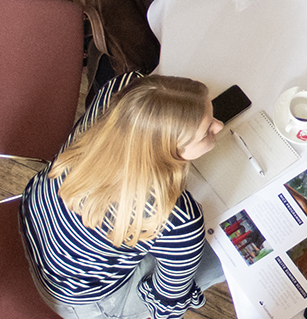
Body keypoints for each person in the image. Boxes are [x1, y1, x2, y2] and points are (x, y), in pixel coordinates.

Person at [22, 73, 228, 319]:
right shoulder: (177, 217)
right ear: (169, 153)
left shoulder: (123, 86)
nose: (219, 126)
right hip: (84, 300)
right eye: (206, 131)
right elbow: (167, 304)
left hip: (36, 229)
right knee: (223, 256)